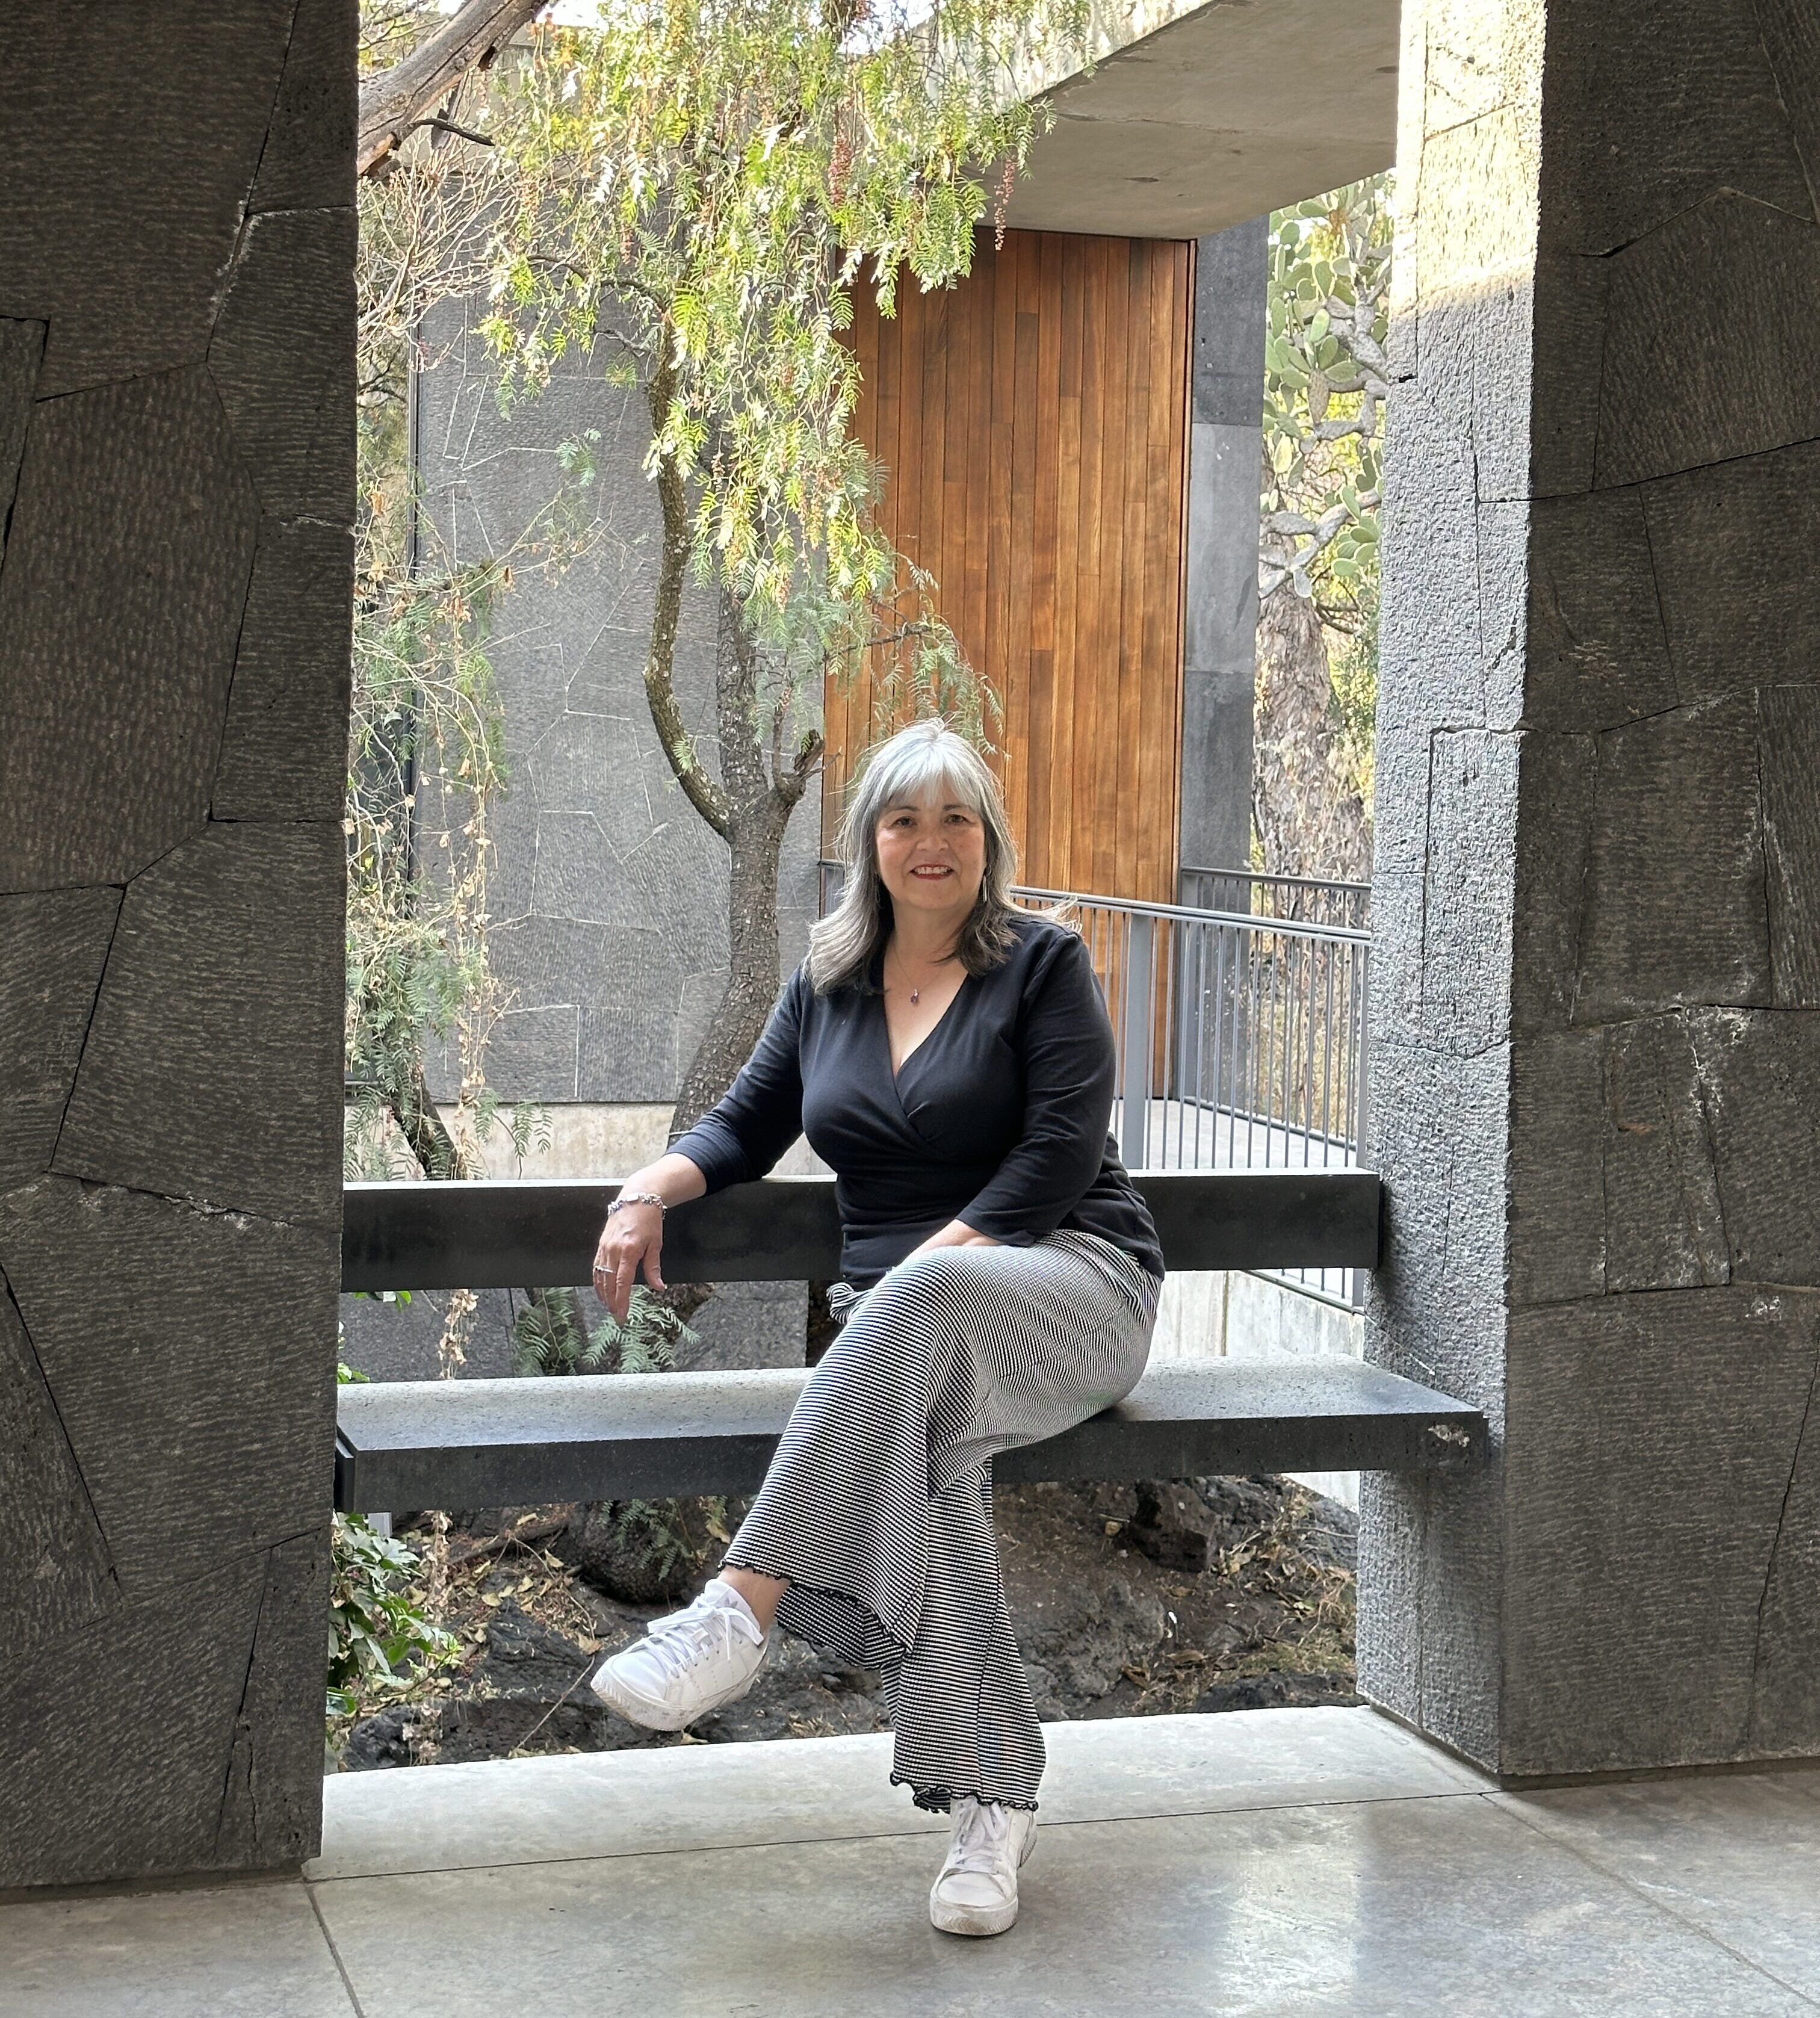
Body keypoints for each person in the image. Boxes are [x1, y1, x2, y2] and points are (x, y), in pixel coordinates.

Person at [587, 717, 1165, 1938]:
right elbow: (744, 1129)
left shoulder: (1043, 965)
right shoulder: (829, 983)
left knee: (917, 1304)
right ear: (870, 843)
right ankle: (991, 1807)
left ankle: (739, 1609)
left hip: (1070, 1286)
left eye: (958, 817)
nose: (932, 841)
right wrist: (647, 1190)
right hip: (908, 1337)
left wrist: (925, 1272)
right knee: (933, 1451)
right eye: (906, 818)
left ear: (988, 840)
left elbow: (1061, 1155)